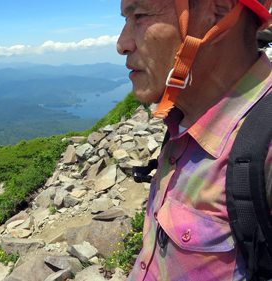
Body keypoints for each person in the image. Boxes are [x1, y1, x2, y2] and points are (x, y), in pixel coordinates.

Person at [116, 0, 272, 280]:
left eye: (140, 15)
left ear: (220, 8)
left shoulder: (265, 148)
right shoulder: (182, 118)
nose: (122, 43)